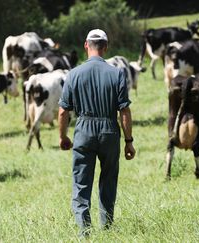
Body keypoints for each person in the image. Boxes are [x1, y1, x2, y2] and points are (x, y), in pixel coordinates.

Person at [58, 29, 136, 234]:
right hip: (110, 130)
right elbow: (124, 111)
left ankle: (85, 231)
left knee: (81, 182)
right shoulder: (116, 73)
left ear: (86, 45)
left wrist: (63, 136)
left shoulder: (73, 74)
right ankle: (107, 227)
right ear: (106, 47)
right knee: (108, 179)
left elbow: (63, 111)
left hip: (83, 129)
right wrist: (129, 140)